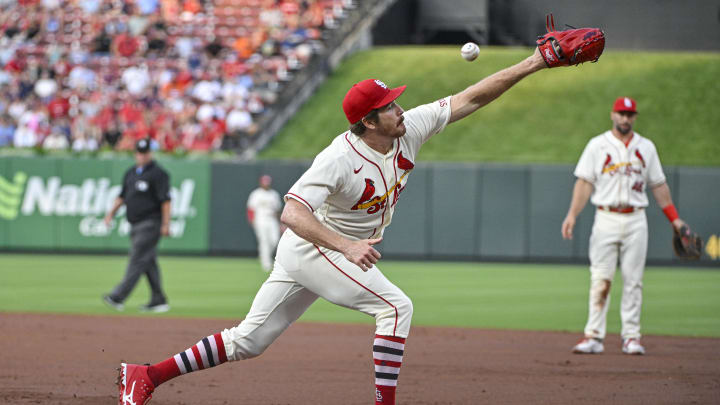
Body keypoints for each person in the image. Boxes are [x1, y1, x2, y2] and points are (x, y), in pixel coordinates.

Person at [116, 47, 571, 405]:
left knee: (248, 341)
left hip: (318, 250)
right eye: (389, 106)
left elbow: (471, 97)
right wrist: (346, 247)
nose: (400, 109)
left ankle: (146, 375)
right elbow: (292, 212)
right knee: (396, 308)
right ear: (368, 121)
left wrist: (536, 62)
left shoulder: (407, 128)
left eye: (396, 101)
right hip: (318, 247)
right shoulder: (338, 158)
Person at [561, 97, 688, 356]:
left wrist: (674, 219)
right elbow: (584, 182)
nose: (625, 118)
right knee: (600, 279)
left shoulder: (646, 147)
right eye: (621, 113)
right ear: (612, 115)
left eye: (630, 114)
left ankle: (631, 337)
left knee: (633, 281)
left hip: (635, 219)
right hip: (605, 217)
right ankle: (594, 336)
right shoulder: (597, 145)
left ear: (635, 117)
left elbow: (658, 185)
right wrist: (572, 214)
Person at [103, 138, 172, 313]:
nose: (142, 156)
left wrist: (166, 223)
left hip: (150, 223)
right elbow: (122, 196)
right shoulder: (131, 173)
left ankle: (118, 296)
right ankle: (159, 299)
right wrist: (110, 213)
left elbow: (165, 201)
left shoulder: (158, 174)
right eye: (139, 152)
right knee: (147, 261)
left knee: (137, 258)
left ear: (150, 153)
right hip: (134, 223)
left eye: (145, 152)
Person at [246, 174, 283, 272]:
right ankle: (266, 263)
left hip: (272, 219)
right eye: (264, 183)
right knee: (264, 241)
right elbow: (251, 208)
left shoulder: (274, 194)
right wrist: (252, 220)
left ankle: (264, 255)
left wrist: (280, 221)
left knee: (274, 240)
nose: (266, 185)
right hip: (260, 219)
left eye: (267, 183)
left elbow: (278, 209)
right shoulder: (256, 194)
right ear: (261, 183)